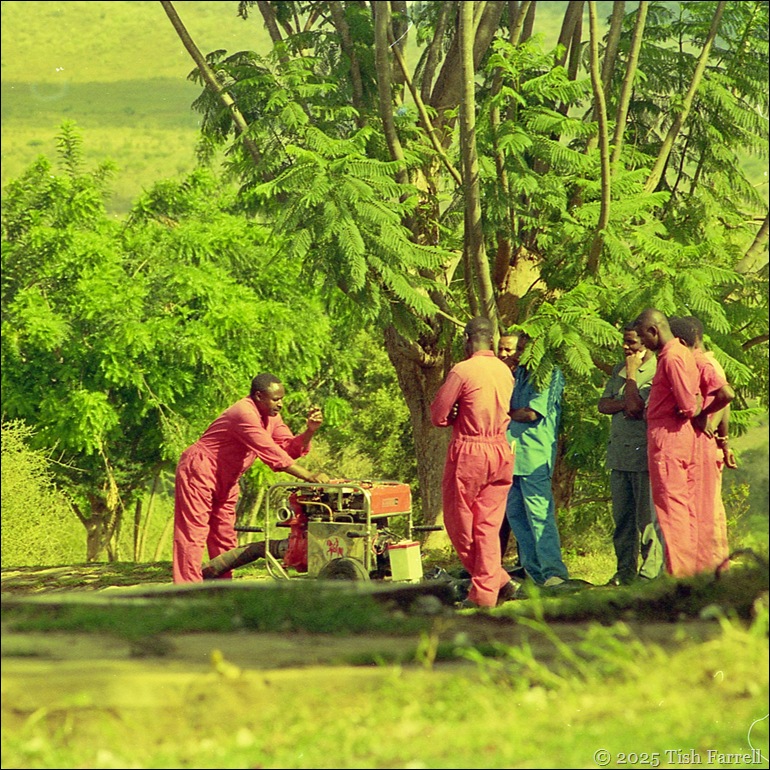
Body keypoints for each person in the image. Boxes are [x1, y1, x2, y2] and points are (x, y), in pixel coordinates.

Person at [173, 373, 330, 584]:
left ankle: (222, 587)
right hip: (200, 469)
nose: (280, 404)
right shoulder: (243, 413)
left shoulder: (272, 417)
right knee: (194, 533)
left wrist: (310, 431)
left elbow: (288, 449)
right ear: (258, 396)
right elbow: (271, 454)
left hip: (229, 477)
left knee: (224, 535)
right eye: (275, 399)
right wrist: (309, 476)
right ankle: (186, 590)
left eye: (281, 398)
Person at [430, 316, 519, 608]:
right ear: (492, 339)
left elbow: (438, 415)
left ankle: (486, 589)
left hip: (470, 451)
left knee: (459, 523)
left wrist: (455, 415)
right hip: (501, 449)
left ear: (467, 339)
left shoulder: (462, 370)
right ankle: (500, 581)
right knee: (488, 525)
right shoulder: (505, 371)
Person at [633, 309, 701, 578]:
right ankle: (683, 572)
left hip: (668, 438)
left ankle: (679, 575)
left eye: (642, 336)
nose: (642, 344)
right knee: (677, 507)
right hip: (672, 437)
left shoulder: (672, 357)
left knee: (670, 510)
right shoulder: (679, 353)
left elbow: (687, 404)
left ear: (653, 331)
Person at [502, 332, 570, 587]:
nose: (504, 355)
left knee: (539, 515)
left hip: (534, 455)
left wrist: (506, 412)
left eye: (509, 350)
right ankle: (533, 572)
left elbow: (531, 413)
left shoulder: (548, 373)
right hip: (511, 457)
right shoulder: (515, 375)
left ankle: (554, 573)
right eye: (502, 350)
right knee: (517, 516)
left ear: (525, 350)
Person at [598, 324, 663, 585]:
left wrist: (633, 375)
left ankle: (649, 574)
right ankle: (624, 572)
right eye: (624, 342)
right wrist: (623, 403)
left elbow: (636, 408)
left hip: (642, 457)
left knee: (646, 522)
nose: (626, 348)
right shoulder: (619, 369)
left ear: (645, 342)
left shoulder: (656, 371)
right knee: (622, 519)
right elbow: (603, 405)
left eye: (632, 343)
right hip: (619, 456)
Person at [669, 317, 735, 574]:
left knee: (703, 510)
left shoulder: (701, 362)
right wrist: (724, 440)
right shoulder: (701, 362)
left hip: (701, 446)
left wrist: (702, 416)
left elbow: (726, 395)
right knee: (706, 509)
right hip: (705, 445)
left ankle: (709, 569)